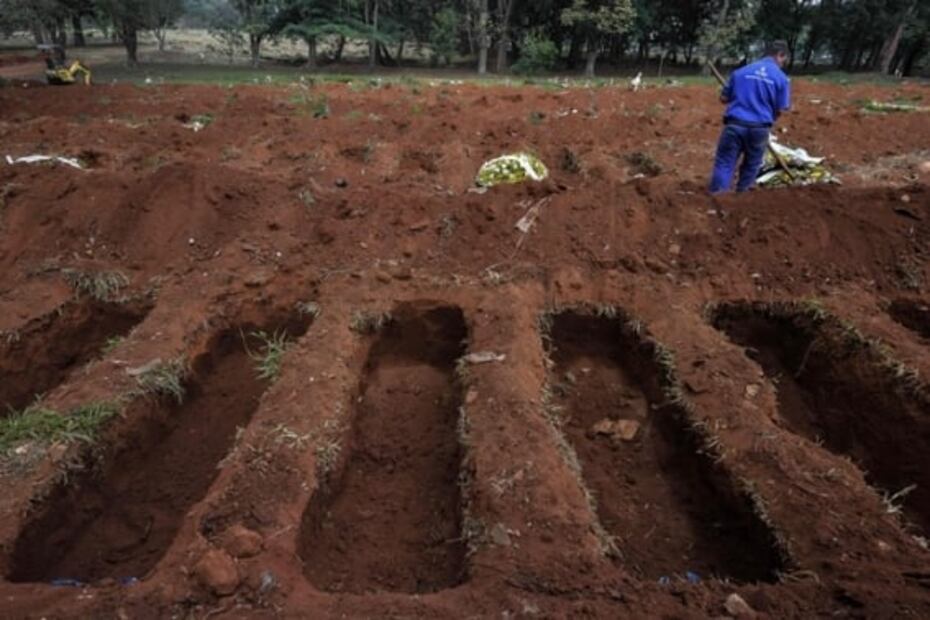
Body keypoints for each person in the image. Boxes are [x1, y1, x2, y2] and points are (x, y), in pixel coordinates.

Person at [709, 41, 792, 194]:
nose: (783, 64)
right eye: (783, 60)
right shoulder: (782, 79)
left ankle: (717, 198)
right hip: (759, 128)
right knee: (751, 164)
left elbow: (723, 99)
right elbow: (781, 109)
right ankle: (742, 198)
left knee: (725, 163)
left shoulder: (740, 72)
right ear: (780, 55)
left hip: (734, 124)